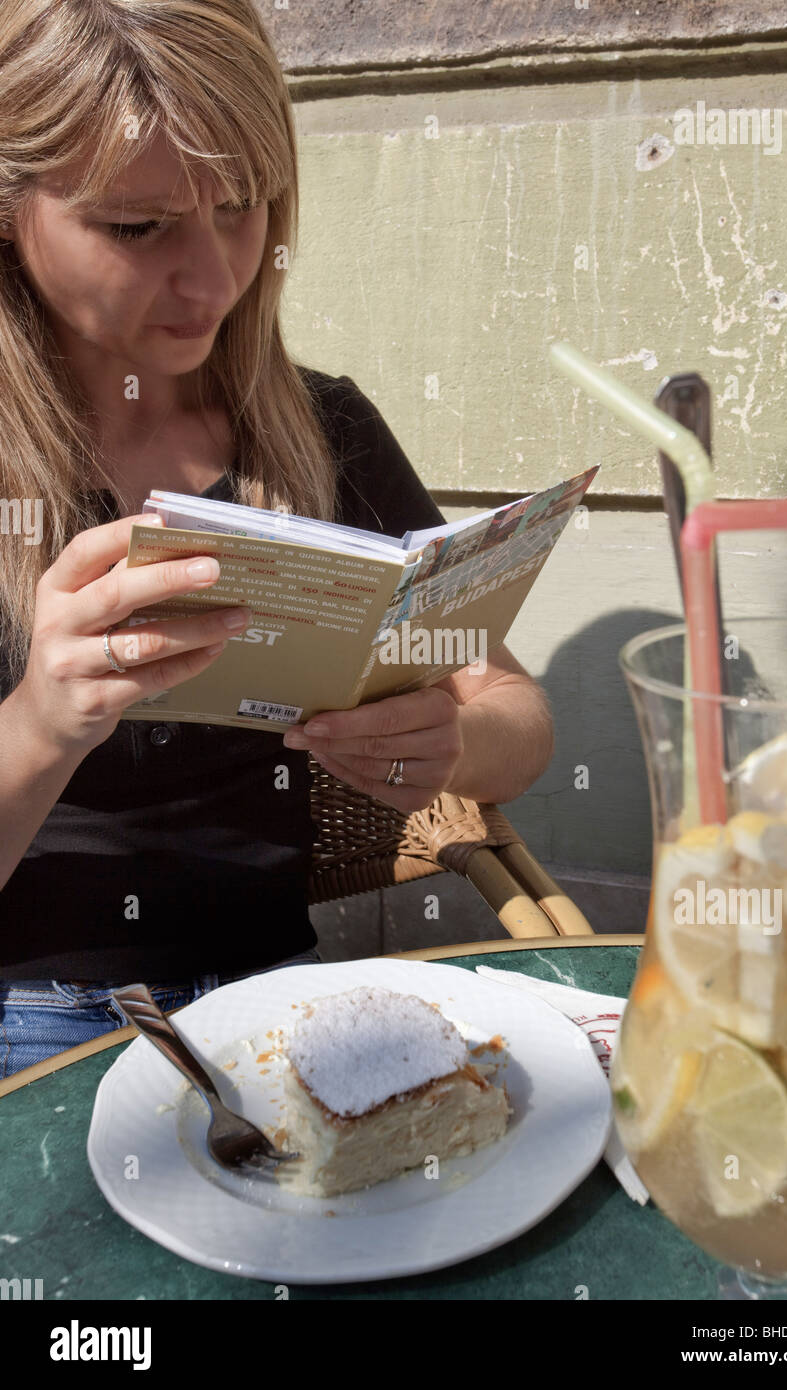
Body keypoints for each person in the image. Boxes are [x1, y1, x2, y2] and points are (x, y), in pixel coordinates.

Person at [0, 0, 555, 1078]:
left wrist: (446, 743)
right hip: (33, 1013)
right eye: (137, 225)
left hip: (278, 1003)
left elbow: (515, 714)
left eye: (244, 205)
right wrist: (41, 721)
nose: (214, 278)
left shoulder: (313, 427)